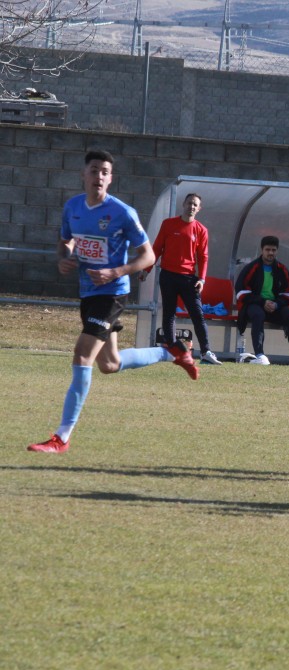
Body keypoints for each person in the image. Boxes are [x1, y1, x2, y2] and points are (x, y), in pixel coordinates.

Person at [28, 149, 199, 454]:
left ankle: (61, 438)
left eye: (105, 172)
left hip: (113, 294)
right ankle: (170, 351)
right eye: (94, 170)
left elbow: (147, 255)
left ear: (111, 178)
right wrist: (63, 257)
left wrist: (116, 271)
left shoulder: (122, 212)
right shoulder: (73, 208)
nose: (99, 176)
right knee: (110, 363)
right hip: (89, 294)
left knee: (83, 355)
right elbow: (65, 240)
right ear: (84, 174)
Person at [142, 192, 220, 365]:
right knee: (169, 313)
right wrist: (146, 269)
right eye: (189, 203)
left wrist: (202, 279)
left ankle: (206, 352)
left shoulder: (201, 230)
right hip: (168, 276)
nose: (191, 207)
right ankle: (173, 350)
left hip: (188, 279)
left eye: (195, 205)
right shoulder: (168, 224)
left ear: (199, 209)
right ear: (183, 204)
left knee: (197, 314)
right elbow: (156, 249)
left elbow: (203, 257)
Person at [234, 235, 289, 366]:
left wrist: (277, 304)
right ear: (262, 250)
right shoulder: (251, 268)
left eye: (273, 250)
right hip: (254, 305)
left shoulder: (282, 270)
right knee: (258, 315)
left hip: (275, 306)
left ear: (277, 251)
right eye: (268, 249)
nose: (270, 253)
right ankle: (260, 355)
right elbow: (241, 292)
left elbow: (288, 294)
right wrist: (262, 302)